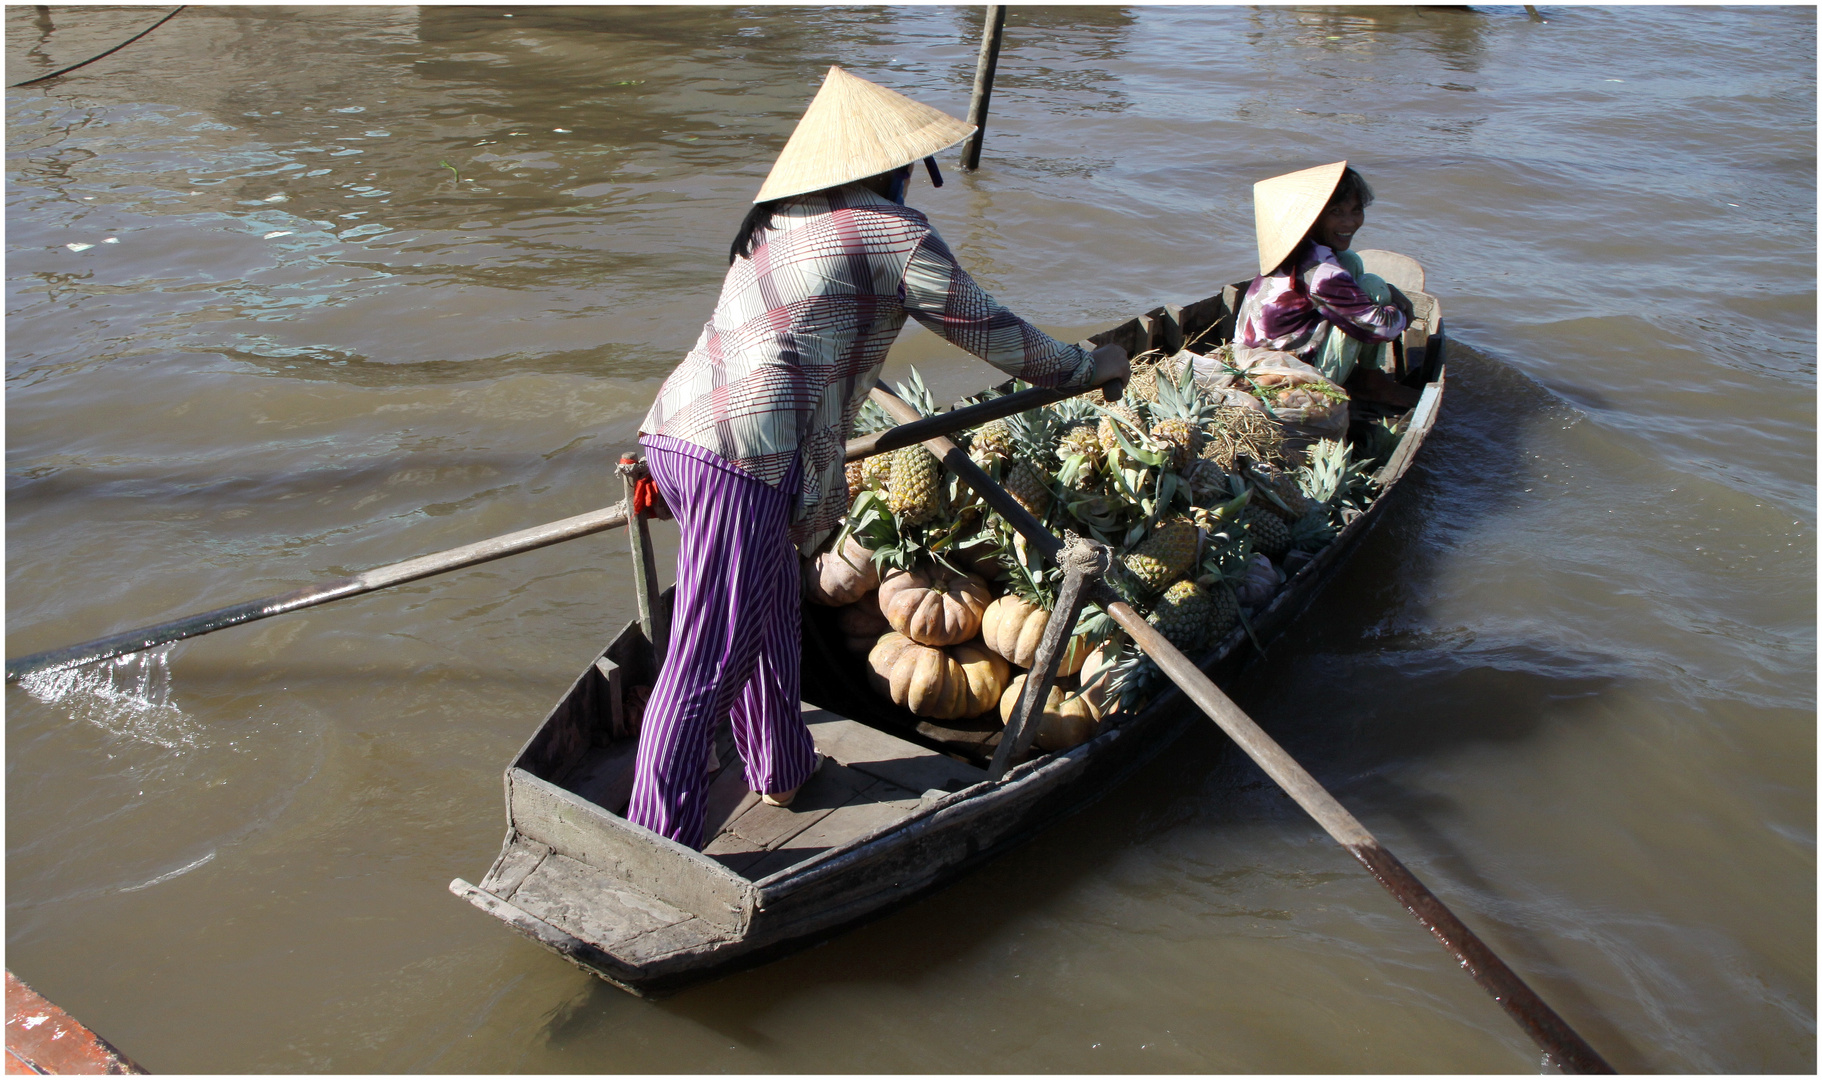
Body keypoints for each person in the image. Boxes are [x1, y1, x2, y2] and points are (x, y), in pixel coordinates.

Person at [630, 66, 1129, 850]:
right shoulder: (893, 235)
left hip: (681, 435)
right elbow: (991, 332)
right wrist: (1082, 366)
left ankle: (780, 764)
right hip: (742, 454)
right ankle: (654, 840)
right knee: (709, 657)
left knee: (766, 612)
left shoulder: (775, 221)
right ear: (891, 170)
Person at [1236, 160, 1417, 406]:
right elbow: (1383, 328)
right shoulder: (1320, 269)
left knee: (1351, 261)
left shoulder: (1296, 249)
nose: (1350, 223)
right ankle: (1370, 383)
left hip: (1254, 357)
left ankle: (1367, 378)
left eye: (1356, 210)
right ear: (1315, 217)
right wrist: (1402, 310)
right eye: (1336, 212)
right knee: (1374, 288)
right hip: (1284, 374)